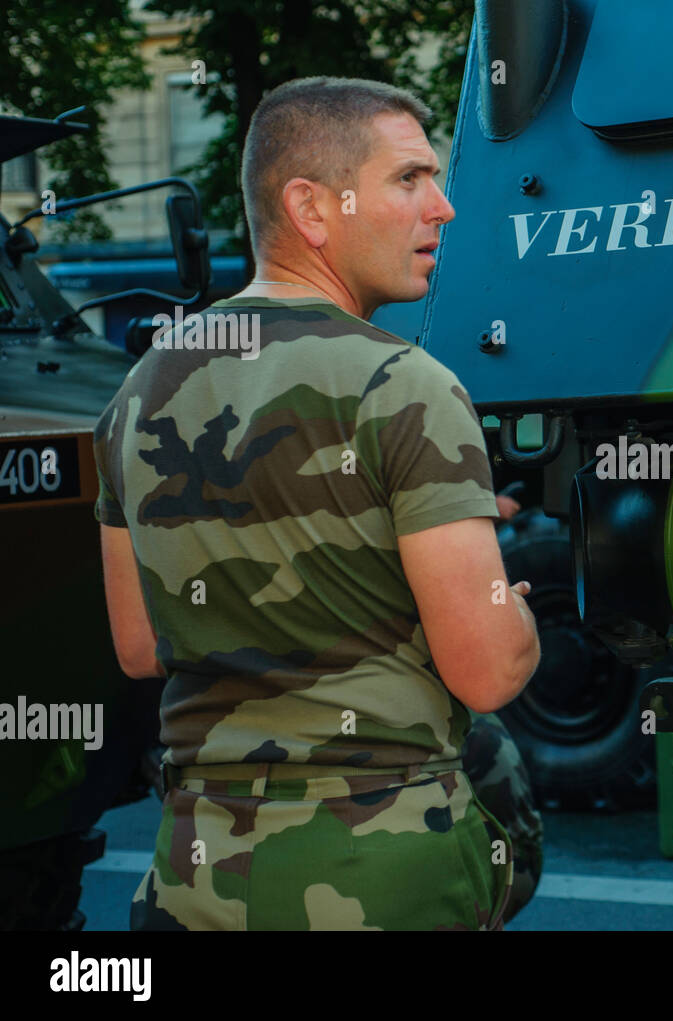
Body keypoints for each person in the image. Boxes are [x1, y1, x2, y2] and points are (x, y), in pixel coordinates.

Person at [93, 76, 541, 930]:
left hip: (195, 873)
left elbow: (139, 644)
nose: (442, 207)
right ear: (312, 206)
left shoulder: (136, 394)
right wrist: (510, 614)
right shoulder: (405, 384)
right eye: (408, 179)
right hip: (379, 867)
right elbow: (486, 669)